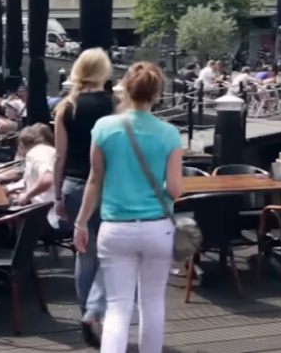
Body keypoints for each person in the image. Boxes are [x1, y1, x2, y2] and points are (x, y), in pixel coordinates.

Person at [74, 62, 183, 353]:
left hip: (116, 228)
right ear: (156, 94)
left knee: (118, 306)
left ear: (125, 90)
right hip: (158, 227)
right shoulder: (169, 133)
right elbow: (175, 190)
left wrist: (81, 223)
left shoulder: (104, 128)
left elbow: (94, 181)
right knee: (153, 303)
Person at [53, 48, 116, 346]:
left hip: (74, 185)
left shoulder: (66, 107)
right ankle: (97, 312)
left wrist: (56, 196)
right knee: (110, 253)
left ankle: (86, 316)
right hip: (108, 186)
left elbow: (59, 157)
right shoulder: (113, 105)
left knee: (84, 253)